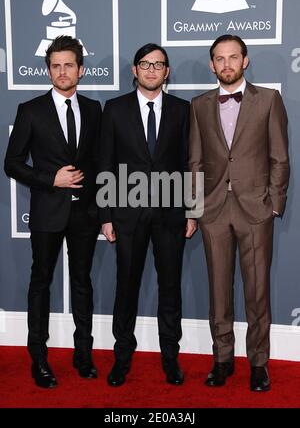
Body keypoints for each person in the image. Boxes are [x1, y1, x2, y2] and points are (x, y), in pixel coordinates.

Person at [189, 35, 289, 391]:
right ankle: (222, 359)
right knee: (219, 290)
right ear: (213, 64)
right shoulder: (199, 105)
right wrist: (194, 208)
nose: (227, 64)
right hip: (213, 211)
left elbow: (280, 157)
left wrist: (273, 203)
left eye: (233, 57)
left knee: (257, 292)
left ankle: (259, 363)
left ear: (245, 61)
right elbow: (195, 162)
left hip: (254, 211)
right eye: (220, 58)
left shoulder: (269, 101)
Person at [4, 36, 102, 388]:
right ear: (49, 71)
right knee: (40, 282)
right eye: (56, 66)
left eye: (69, 65)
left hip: (85, 216)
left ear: (80, 69)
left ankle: (84, 354)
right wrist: (51, 179)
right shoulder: (30, 111)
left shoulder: (93, 110)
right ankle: (39, 359)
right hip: (47, 211)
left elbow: (98, 162)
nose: (62, 72)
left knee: (82, 283)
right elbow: (11, 163)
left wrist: (101, 209)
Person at [99, 43, 197, 386]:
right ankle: (121, 357)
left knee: (170, 288)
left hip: (171, 214)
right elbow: (105, 163)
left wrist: (193, 211)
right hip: (127, 213)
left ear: (166, 72)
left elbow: (190, 163)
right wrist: (106, 216)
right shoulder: (114, 109)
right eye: (145, 63)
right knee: (125, 288)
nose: (152, 69)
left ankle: (170, 357)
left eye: (158, 64)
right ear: (134, 70)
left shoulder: (183, 110)